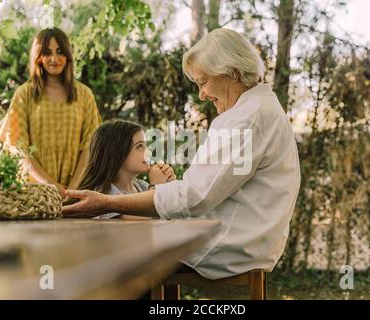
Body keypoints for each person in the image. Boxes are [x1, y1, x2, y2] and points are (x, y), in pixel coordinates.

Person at [62, 28, 301, 280]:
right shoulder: (257, 109)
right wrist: (168, 189)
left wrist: (106, 203)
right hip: (243, 240)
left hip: (226, 245)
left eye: (203, 82)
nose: (202, 95)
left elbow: (194, 198)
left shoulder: (247, 119)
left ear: (232, 72)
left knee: (105, 253)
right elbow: (205, 191)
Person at [0, 27, 101, 198]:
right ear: (38, 56)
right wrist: (50, 185)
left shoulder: (85, 94)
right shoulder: (24, 94)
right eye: (47, 52)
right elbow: (18, 147)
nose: (54, 59)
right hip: (32, 194)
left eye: (60, 52)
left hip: (77, 194)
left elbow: (90, 147)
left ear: (68, 55)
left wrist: (72, 190)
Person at [76, 119, 176, 219]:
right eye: (140, 146)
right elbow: (145, 225)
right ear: (117, 152)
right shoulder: (104, 194)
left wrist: (169, 188)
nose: (148, 153)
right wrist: (156, 187)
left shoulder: (142, 186)